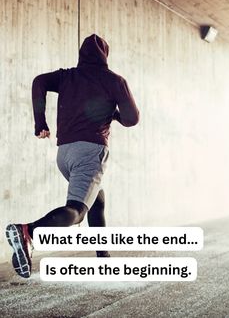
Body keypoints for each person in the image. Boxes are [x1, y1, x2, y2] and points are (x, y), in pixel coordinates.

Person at [6, 33, 139, 278]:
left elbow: (39, 82)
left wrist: (40, 122)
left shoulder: (67, 76)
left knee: (97, 199)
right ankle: (27, 231)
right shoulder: (114, 81)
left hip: (64, 154)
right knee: (77, 211)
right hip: (90, 152)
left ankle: (103, 257)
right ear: (105, 56)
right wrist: (114, 113)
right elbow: (132, 119)